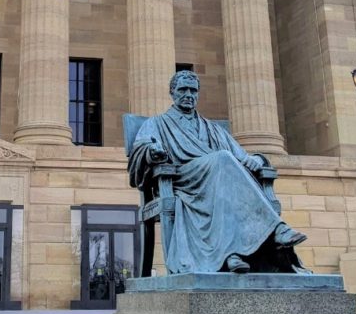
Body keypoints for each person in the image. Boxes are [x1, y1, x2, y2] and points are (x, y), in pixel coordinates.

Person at [128, 70, 306, 274]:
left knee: (225, 171)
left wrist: (258, 159)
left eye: (193, 91)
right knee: (222, 160)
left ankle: (231, 255)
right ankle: (276, 230)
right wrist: (152, 152)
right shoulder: (156, 123)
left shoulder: (212, 128)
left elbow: (241, 157)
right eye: (183, 90)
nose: (188, 95)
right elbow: (141, 149)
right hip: (185, 180)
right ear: (172, 93)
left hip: (217, 181)